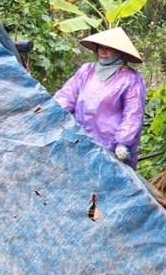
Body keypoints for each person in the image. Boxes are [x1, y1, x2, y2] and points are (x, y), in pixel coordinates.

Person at [54, 27, 147, 169]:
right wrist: (52, 113)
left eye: (108, 48)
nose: (103, 52)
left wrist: (123, 142)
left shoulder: (130, 79)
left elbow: (133, 114)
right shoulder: (86, 71)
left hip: (111, 146)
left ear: (119, 51)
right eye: (100, 47)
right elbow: (67, 96)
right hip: (80, 139)